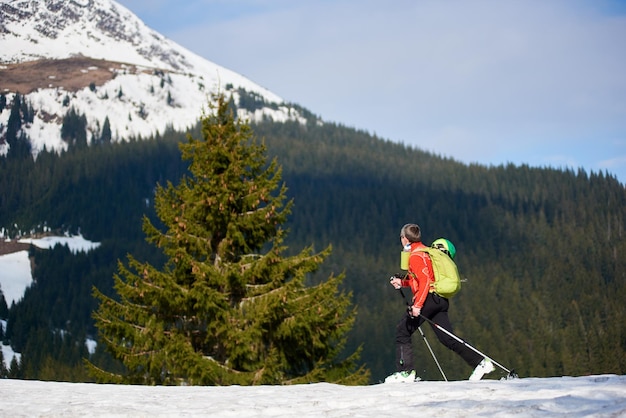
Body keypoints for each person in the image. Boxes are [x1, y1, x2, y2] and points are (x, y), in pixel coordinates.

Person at [385, 223, 494, 382]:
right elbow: (422, 279)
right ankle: (481, 362)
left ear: (405, 239)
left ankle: (406, 372)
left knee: (403, 330)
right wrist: (403, 283)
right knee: (447, 338)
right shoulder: (426, 252)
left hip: (428, 299)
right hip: (439, 300)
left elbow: (425, 281)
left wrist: (417, 305)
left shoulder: (416, 256)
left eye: (401, 237)